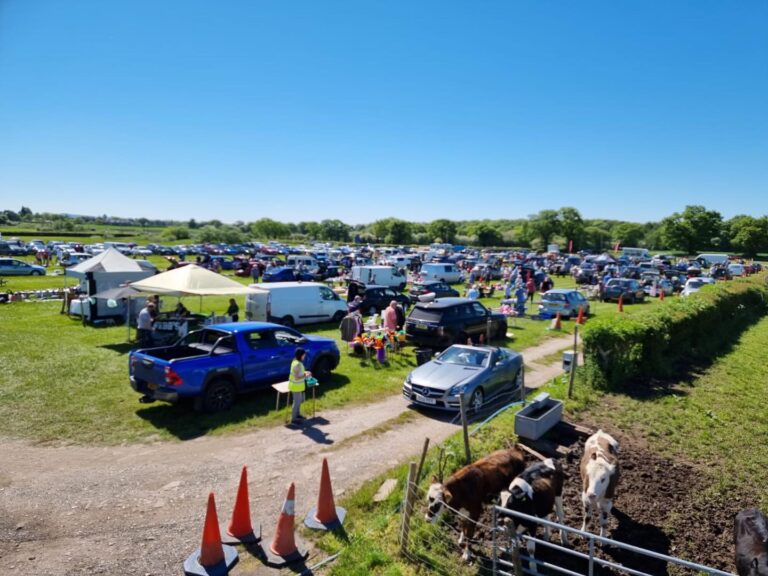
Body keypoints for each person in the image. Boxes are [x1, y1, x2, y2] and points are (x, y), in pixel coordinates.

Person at [288, 348, 311, 424]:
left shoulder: (295, 362)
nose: (304, 356)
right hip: (296, 386)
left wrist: (305, 372)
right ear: (301, 355)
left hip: (298, 386)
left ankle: (297, 415)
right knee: (296, 402)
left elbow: (299, 372)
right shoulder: (297, 364)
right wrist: (305, 375)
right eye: (304, 355)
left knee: (299, 401)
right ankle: (294, 419)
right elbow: (297, 377)